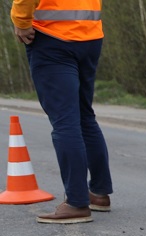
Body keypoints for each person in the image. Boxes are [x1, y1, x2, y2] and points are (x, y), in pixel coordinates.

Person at [10, 0, 113, 224]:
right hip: (90, 35)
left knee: (65, 121)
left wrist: (21, 21)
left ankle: (76, 203)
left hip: (52, 36)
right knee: (85, 116)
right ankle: (99, 193)